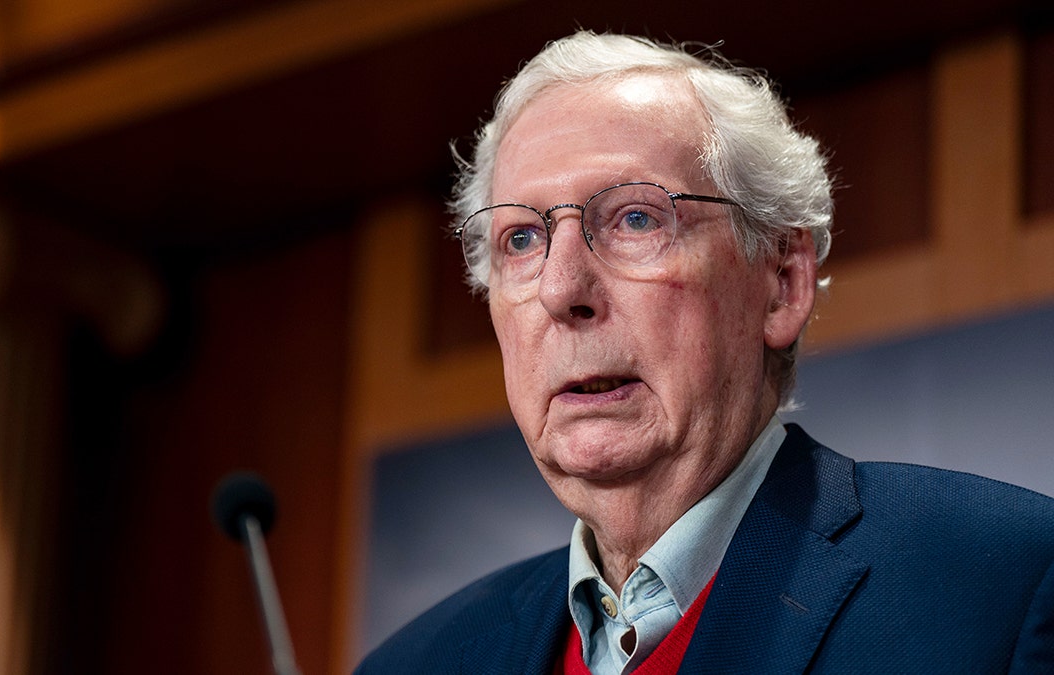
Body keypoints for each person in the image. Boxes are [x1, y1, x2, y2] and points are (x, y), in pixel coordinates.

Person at [356, 31, 1054, 674]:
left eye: (635, 217)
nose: (562, 289)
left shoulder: (999, 585)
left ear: (782, 284)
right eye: (522, 240)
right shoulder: (417, 662)